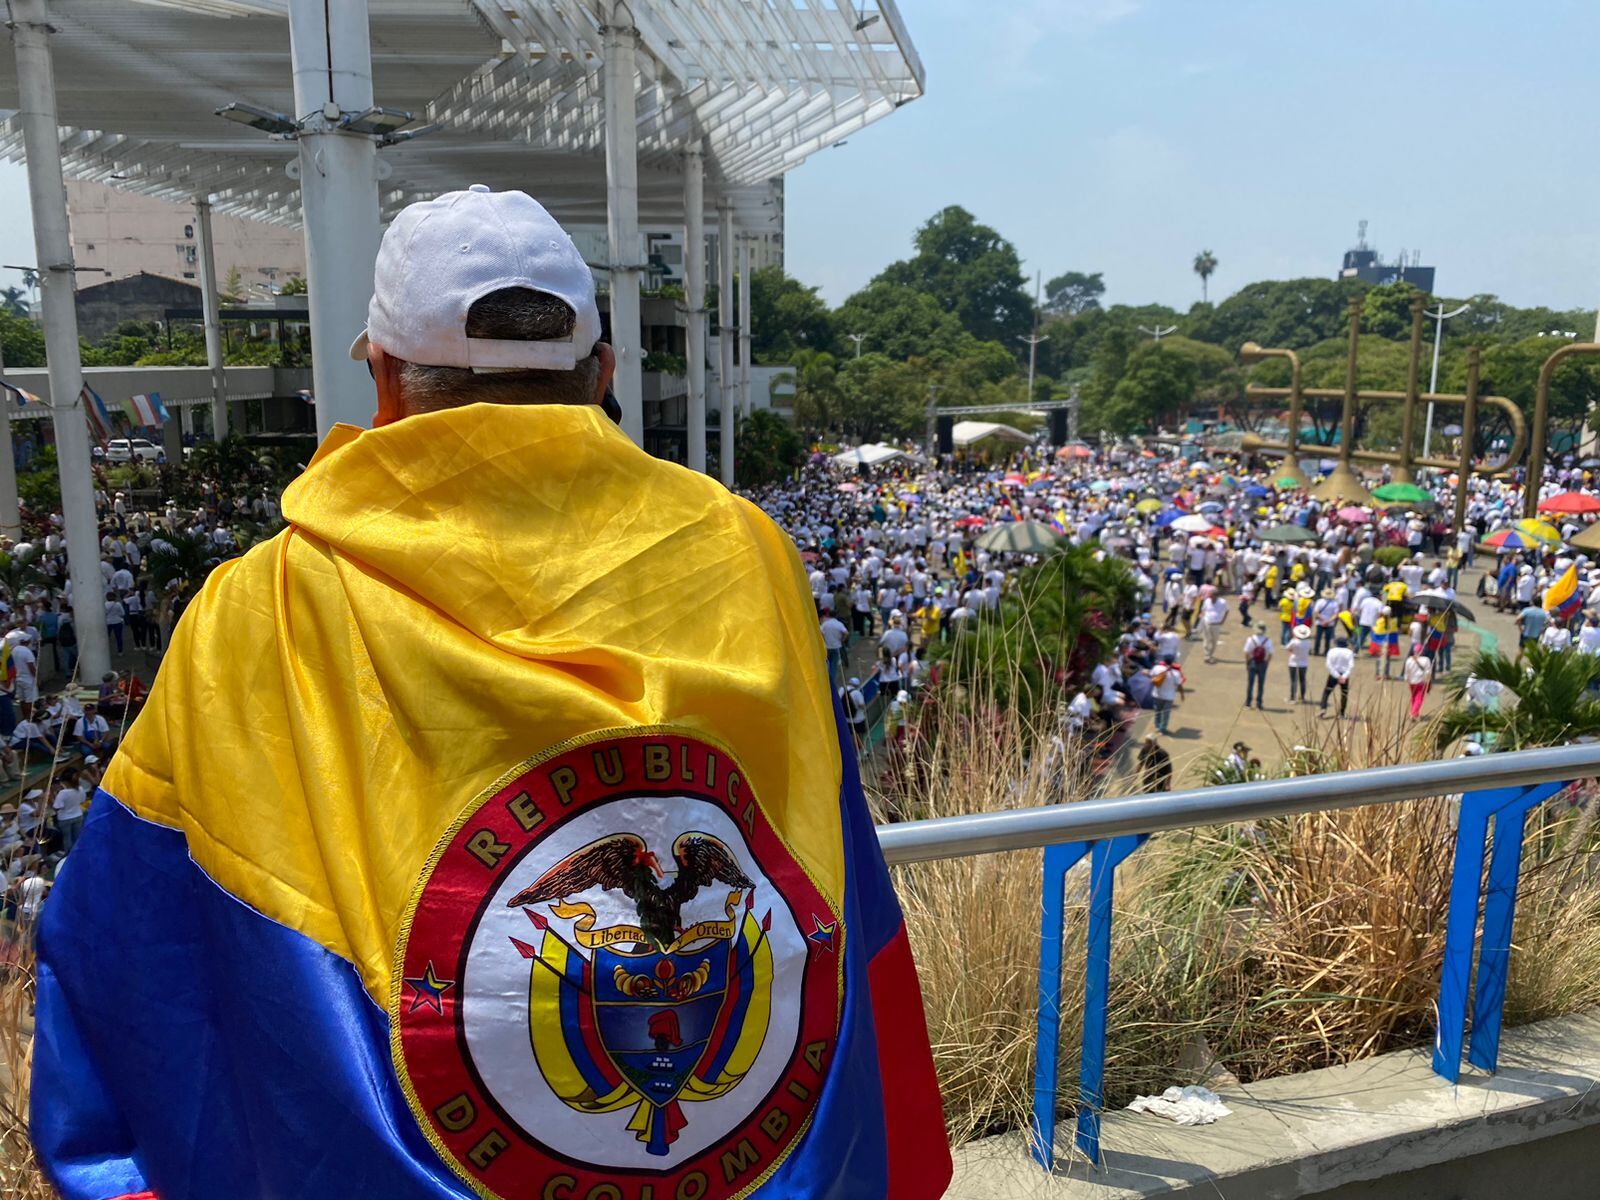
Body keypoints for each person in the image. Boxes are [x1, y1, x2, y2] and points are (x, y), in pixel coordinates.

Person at [33, 187, 951, 1200]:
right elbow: (825, 866)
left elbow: (134, 948)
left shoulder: (262, 607)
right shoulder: (748, 557)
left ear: (381, 379)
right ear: (602, 372)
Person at [51, 768, 87, 854]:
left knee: (67, 839)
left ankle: (69, 856)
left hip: (64, 819)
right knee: (77, 838)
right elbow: (82, 800)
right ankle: (79, 854)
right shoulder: (81, 789)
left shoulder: (63, 793)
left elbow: (56, 807)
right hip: (78, 815)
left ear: (65, 782)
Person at [1149, 652, 1185, 735]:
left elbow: (1152, 676)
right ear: (1172, 662)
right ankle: (1162, 729)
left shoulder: (1157, 668)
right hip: (1169, 697)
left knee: (1158, 711)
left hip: (1157, 694)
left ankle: (1157, 726)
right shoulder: (1176, 673)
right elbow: (1179, 685)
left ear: (1164, 661)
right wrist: (1182, 694)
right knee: (1166, 714)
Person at [1320, 635, 1355, 718]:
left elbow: (1329, 664)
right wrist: (1344, 676)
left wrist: (1336, 675)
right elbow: (1351, 666)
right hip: (1344, 675)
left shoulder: (1332, 651)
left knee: (1327, 692)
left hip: (1333, 674)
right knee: (1344, 694)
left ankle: (1323, 709)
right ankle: (1342, 713)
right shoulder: (1349, 652)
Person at [1243, 625, 1272, 710]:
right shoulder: (1267, 640)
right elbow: (1270, 654)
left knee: (1250, 684)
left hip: (1252, 662)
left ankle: (1248, 703)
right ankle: (1259, 704)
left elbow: (1246, 652)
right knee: (1261, 684)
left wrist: (1247, 662)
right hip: (1262, 663)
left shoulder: (1251, 639)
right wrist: (1267, 663)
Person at [1403, 645, 1434, 719]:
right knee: (1419, 698)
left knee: (1414, 697)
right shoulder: (1426, 660)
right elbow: (1428, 672)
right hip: (1421, 682)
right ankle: (1413, 713)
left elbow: (1407, 672)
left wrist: (1407, 680)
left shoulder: (1409, 660)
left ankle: (1414, 712)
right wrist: (1428, 680)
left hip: (1411, 682)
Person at [1199, 590, 1228, 664]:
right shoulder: (1207, 601)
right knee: (1206, 640)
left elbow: (1227, 611)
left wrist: (1223, 620)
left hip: (1216, 624)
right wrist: (1202, 617)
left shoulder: (1222, 602)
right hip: (1207, 623)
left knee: (1214, 641)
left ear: (1215, 596)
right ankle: (1207, 656)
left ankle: (1210, 654)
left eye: (1211, 596)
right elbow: (1203, 610)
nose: (1209, 597)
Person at [1287, 623, 1312, 703]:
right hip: (1304, 663)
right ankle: (1302, 697)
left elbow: (1288, 648)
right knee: (1302, 680)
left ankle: (1292, 697)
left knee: (1293, 680)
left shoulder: (1294, 641)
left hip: (1293, 662)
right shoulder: (1308, 642)